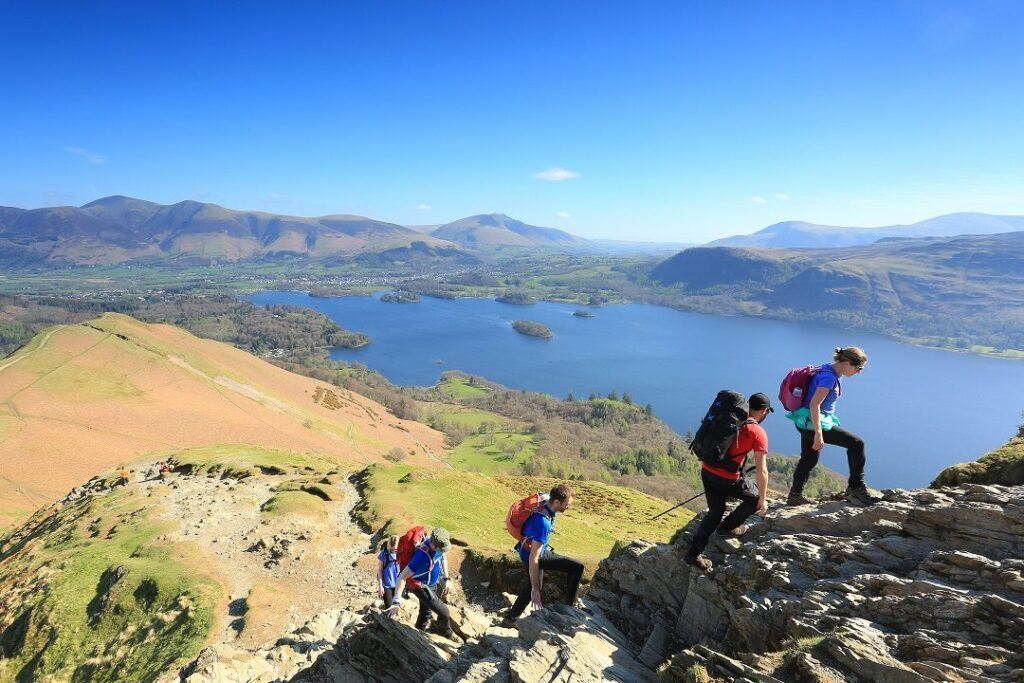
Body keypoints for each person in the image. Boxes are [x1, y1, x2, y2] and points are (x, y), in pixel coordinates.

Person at [684, 392, 772, 573]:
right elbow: (762, 470)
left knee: (715, 512)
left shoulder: (728, 420)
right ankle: (727, 528)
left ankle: (693, 553)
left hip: (707, 470)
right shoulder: (757, 432)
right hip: (727, 479)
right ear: (763, 411)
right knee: (754, 498)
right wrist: (762, 500)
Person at [786, 346, 879, 507]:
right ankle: (856, 487)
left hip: (803, 420)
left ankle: (795, 496)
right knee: (857, 444)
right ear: (848, 363)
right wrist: (818, 434)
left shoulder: (826, 368)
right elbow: (815, 405)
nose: (859, 372)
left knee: (809, 459)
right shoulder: (829, 378)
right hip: (812, 424)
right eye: (859, 368)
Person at [502, 484, 584, 626]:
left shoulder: (546, 499)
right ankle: (569, 607)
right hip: (533, 554)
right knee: (577, 567)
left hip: (525, 549)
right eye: (567, 503)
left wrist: (534, 588)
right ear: (557, 502)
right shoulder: (543, 523)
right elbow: (534, 558)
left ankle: (509, 619)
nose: (569, 506)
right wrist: (535, 589)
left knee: (531, 588)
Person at [384, 528, 454, 638]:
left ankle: (417, 634)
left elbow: (443, 558)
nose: (444, 551)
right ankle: (447, 636)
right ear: (435, 546)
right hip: (422, 587)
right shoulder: (420, 557)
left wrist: (446, 579)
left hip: (434, 583)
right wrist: (396, 601)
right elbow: (402, 577)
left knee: (426, 612)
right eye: (442, 549)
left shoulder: (438, 548)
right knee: (444, 612)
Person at [376, 535, 400, 609]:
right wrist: (380, 587)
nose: (394, 551)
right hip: (387, 586)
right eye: (392, 549)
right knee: (389, 607)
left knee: (396, 607)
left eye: (396, 549)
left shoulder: (402, 553)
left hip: (398, 585)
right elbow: (380, 570)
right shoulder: (384, 554)